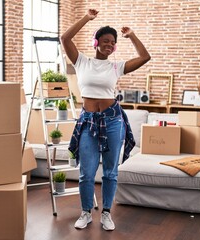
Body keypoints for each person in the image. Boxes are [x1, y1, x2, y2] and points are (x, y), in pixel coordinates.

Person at [60, 9, 151, 231]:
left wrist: (132, 35)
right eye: (106, 41)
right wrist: (87, 18)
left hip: (112, 121)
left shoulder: (116, 66)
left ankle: (107, 213)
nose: (110, 45)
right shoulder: (81, 61)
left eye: (113, 43)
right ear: (96, 42)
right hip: (89, 120)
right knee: (86, 172)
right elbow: (64, 38)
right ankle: (85, 212)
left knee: (110, 171)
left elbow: (144, 57)